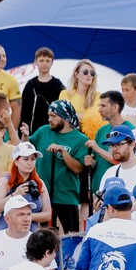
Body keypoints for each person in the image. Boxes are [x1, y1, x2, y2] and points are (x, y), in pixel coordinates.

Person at [28, 100, 89, 234]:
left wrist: (63, 151)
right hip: (42, 194)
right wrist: (24, 135)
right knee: (42, 236)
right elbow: (27, 150)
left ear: (65, 118)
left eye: (53, 116)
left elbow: (78, 168)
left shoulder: (80, 139)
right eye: (49, 115)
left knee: (71, 236)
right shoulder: (43, 131)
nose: (49, 119)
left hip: (66, 196)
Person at [0, 141, 51, 231]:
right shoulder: (5, 180)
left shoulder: (39, 183)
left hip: (31, 237)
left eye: (33, 159)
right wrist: (14, 195)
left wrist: (27, 216)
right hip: (7, 234)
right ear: (16, 162)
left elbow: (47, 214)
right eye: (25, 159)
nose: (30, 163)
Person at [96, 125, 136, 193]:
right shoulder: (109, 173)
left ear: (132, 145)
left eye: (118, 144)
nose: (114, 149)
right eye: (111, 145)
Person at [18, 47, 64, 136]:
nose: (44, 64)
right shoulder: (30, 85)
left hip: (52, 133)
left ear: (52, 63)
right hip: (31, 132)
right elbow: (24, 112)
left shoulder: (58, 85)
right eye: (41, 60)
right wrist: (22, 133)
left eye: (48, 61)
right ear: (35, 62)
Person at [58, 59, 103, 140]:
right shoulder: (65, 93)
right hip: (68, 137)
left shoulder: (98, 96)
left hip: (89, 139)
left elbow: (97, 120)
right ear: (76, 74)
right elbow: (61, 116)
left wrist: (72, 115)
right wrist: (85, 117)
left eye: (92, 73)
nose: (89, 75)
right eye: (85, 72)